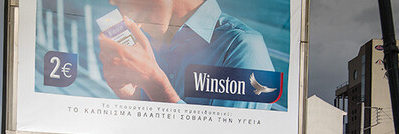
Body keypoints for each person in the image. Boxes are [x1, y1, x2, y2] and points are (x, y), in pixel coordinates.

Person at [98, 0, 274, 108]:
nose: (114, 2)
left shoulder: (243, 47)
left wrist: (154, 83)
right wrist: (132, 98)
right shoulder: (150, 44)